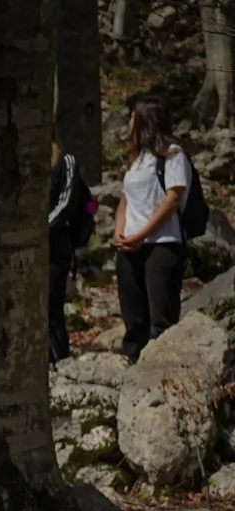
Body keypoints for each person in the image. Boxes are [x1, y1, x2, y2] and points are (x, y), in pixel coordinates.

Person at [114, 94, 191, 362]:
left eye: (132, 116)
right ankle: (134, 366)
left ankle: (163, 372)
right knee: (134, 317)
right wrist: (120, 232)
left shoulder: (173, 154)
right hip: (130, 246)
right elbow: (125, 199)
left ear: (144, 119)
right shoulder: (136, 159)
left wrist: (142, 235)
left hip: (162, 244)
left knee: (161, 318)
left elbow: (173, 199)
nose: (129, 121)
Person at [47, 135, 81, 365]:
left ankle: (60, 361)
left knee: (51, 309)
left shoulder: (66, 161)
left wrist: (41, 230)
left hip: (55, 248)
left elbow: (67, 203)